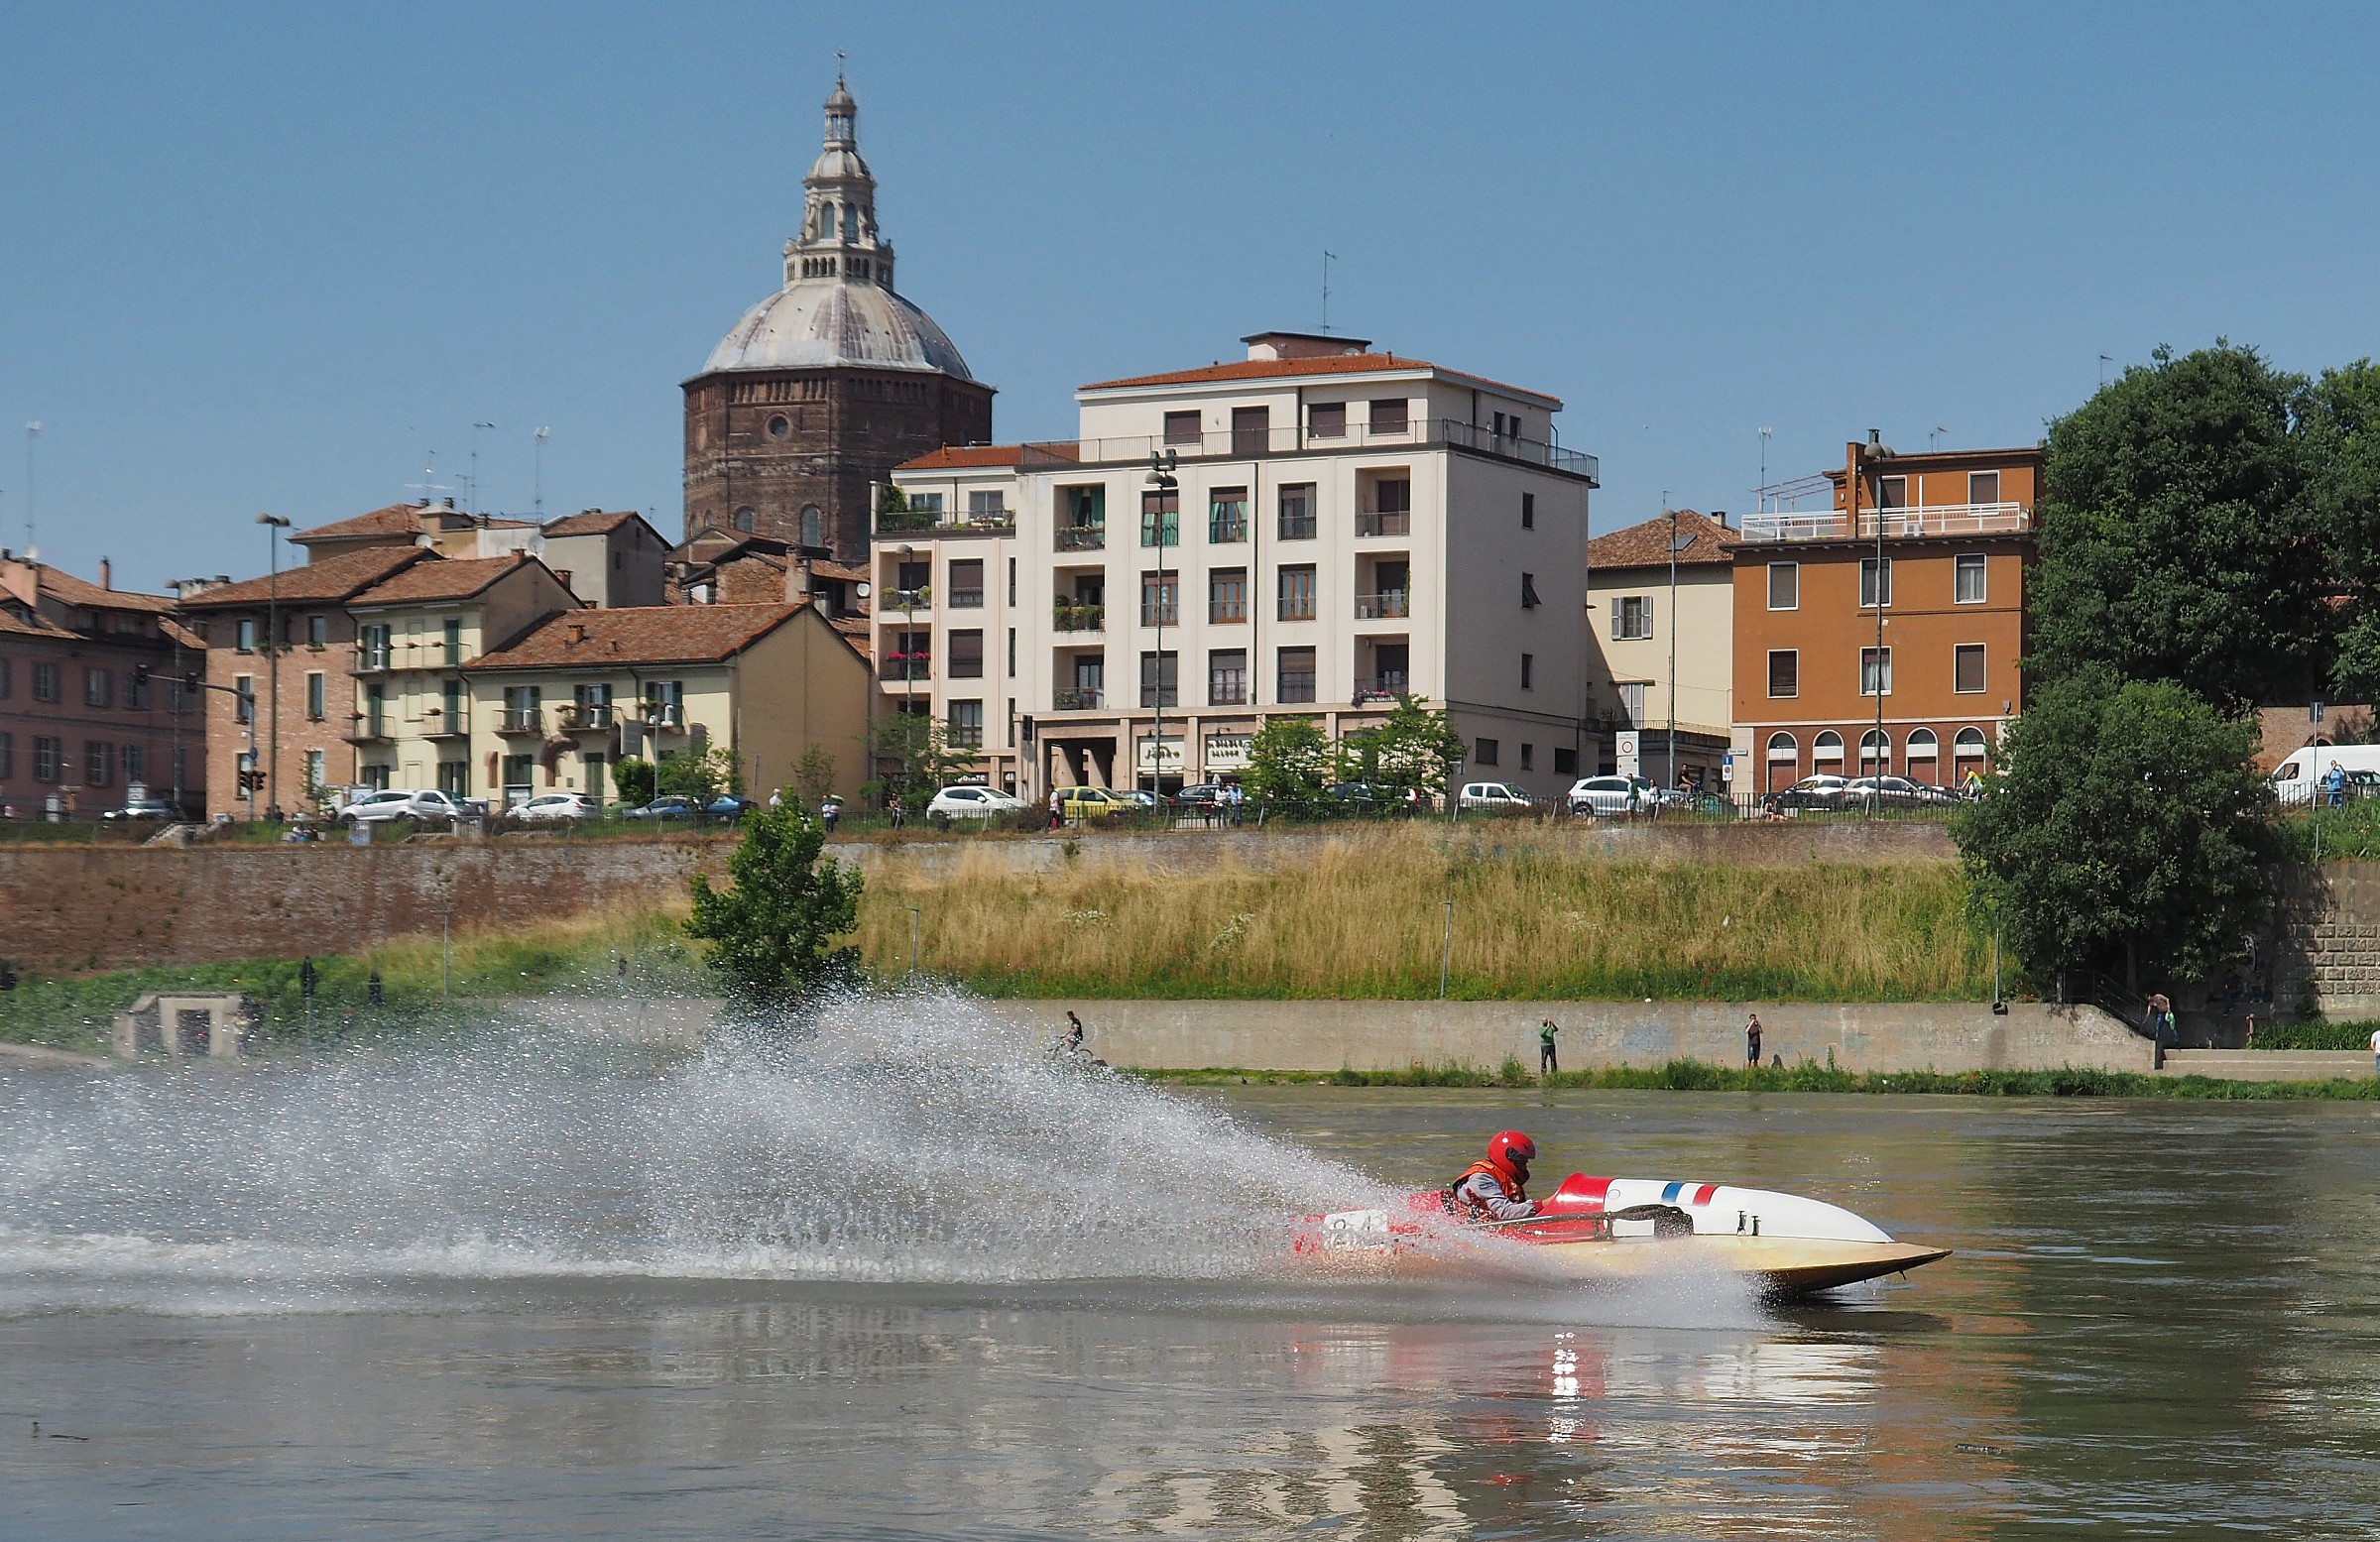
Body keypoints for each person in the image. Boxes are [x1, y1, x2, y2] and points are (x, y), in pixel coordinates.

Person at [1449, 1130, 1540, 1221]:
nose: (1524, 1167)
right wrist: (1542, 1204)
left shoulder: (1504, 1176)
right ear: (1509, 1157)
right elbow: (1504, 1212)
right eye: (1522, 1162)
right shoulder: (1481, 1178)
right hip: (1469, 1225)